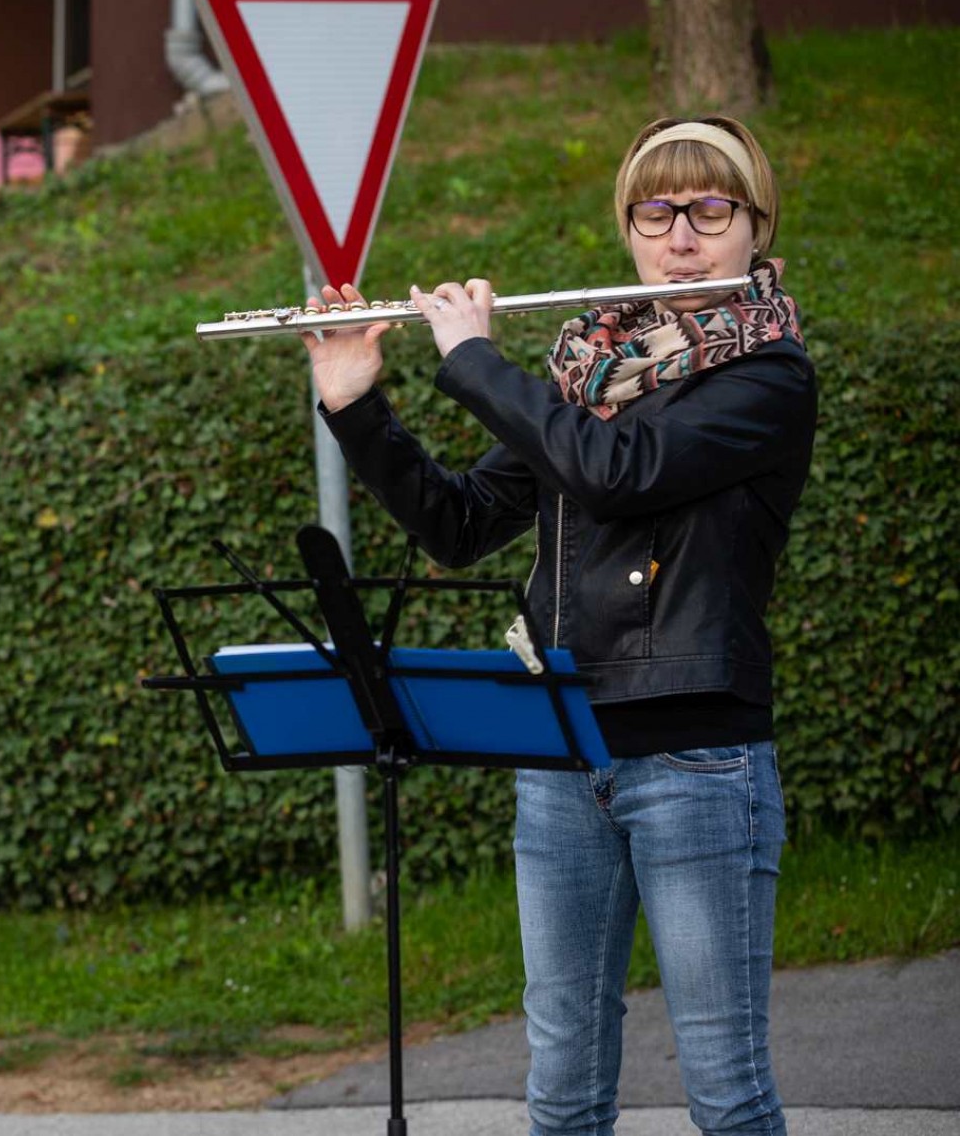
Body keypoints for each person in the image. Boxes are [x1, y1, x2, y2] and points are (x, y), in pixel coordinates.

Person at [303, 116, 813, 1136]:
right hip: (561, 756)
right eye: (655, 212)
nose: (681, 236)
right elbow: (456, 525)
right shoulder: (591, 377)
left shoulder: (768, 378)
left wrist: (475, 359)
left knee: (726, 1091)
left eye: (711, 210)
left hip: (697, 759)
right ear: (628, 229)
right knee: (562, 1090)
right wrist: (355, 404)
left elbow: (617, 471)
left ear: (757, 227)